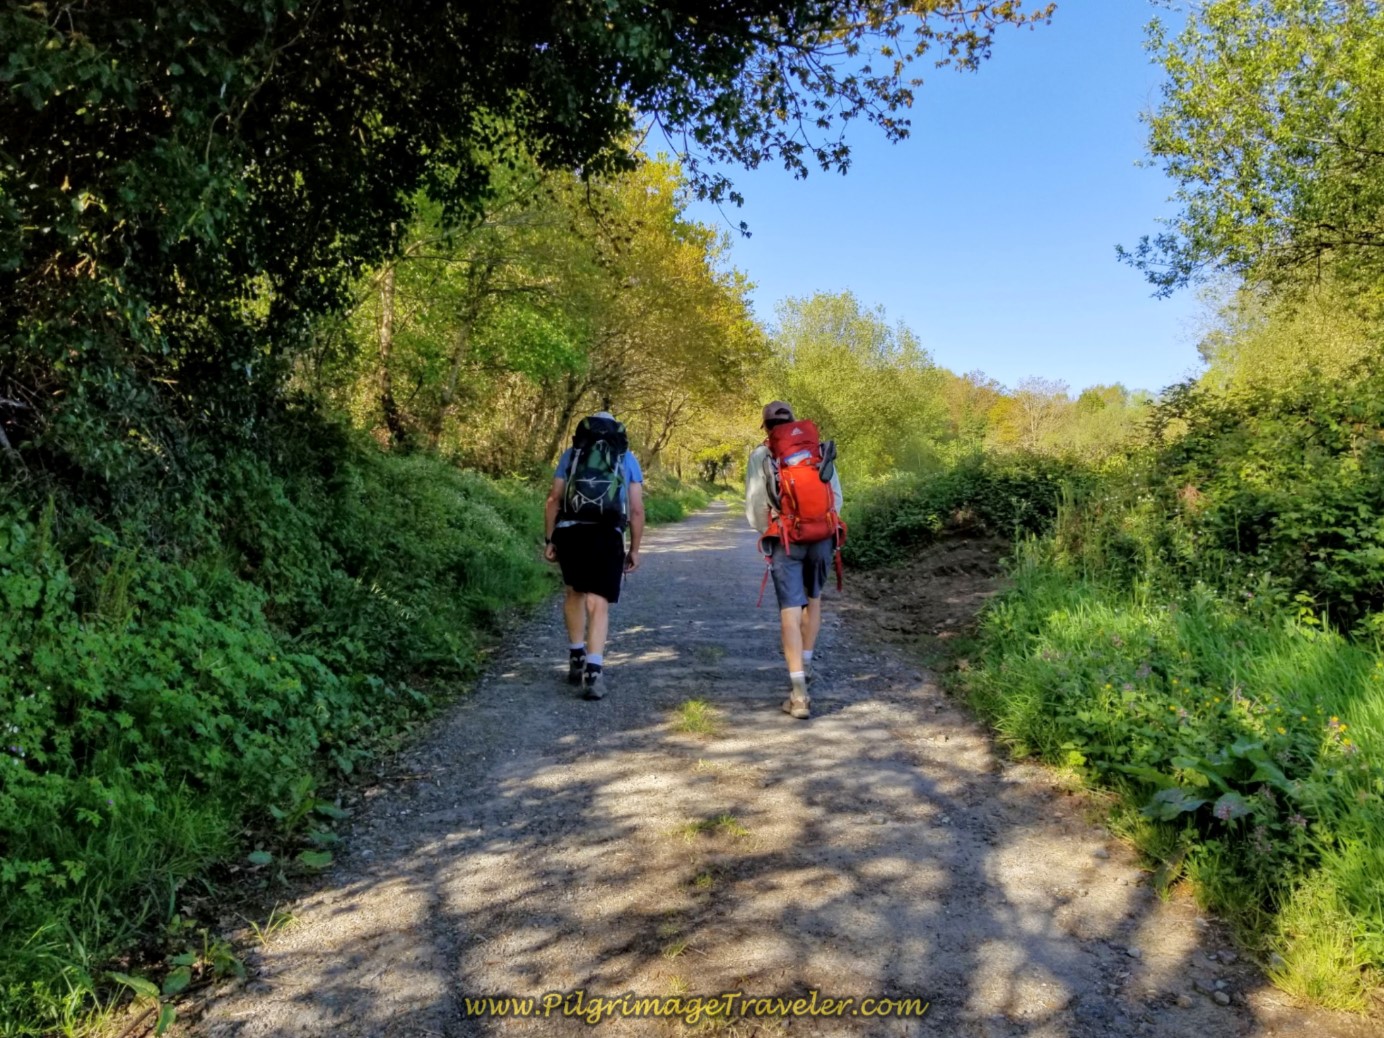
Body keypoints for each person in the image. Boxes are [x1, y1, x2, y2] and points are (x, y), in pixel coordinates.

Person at [745, 401, 844, 720]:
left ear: (766, 426)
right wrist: (819, 525)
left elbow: (755, 506)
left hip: (785, 536)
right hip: (821, 536)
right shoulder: (816, 448)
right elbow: (836, 497)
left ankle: (798, 694)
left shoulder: (762, 455)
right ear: (793, 420)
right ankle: (807, 661)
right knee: (813, 600)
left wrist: (769, 531)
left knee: (789, 611)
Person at [544, 411, 645, 699]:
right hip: (607, 533)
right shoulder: (626, 457)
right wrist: (635, 549)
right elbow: (636, 509)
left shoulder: (572, 454)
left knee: (574, 592)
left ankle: (576, 655)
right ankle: (593, 671)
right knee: (598, 601)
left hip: (571, 531)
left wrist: (550, 539)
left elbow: (553, 499)